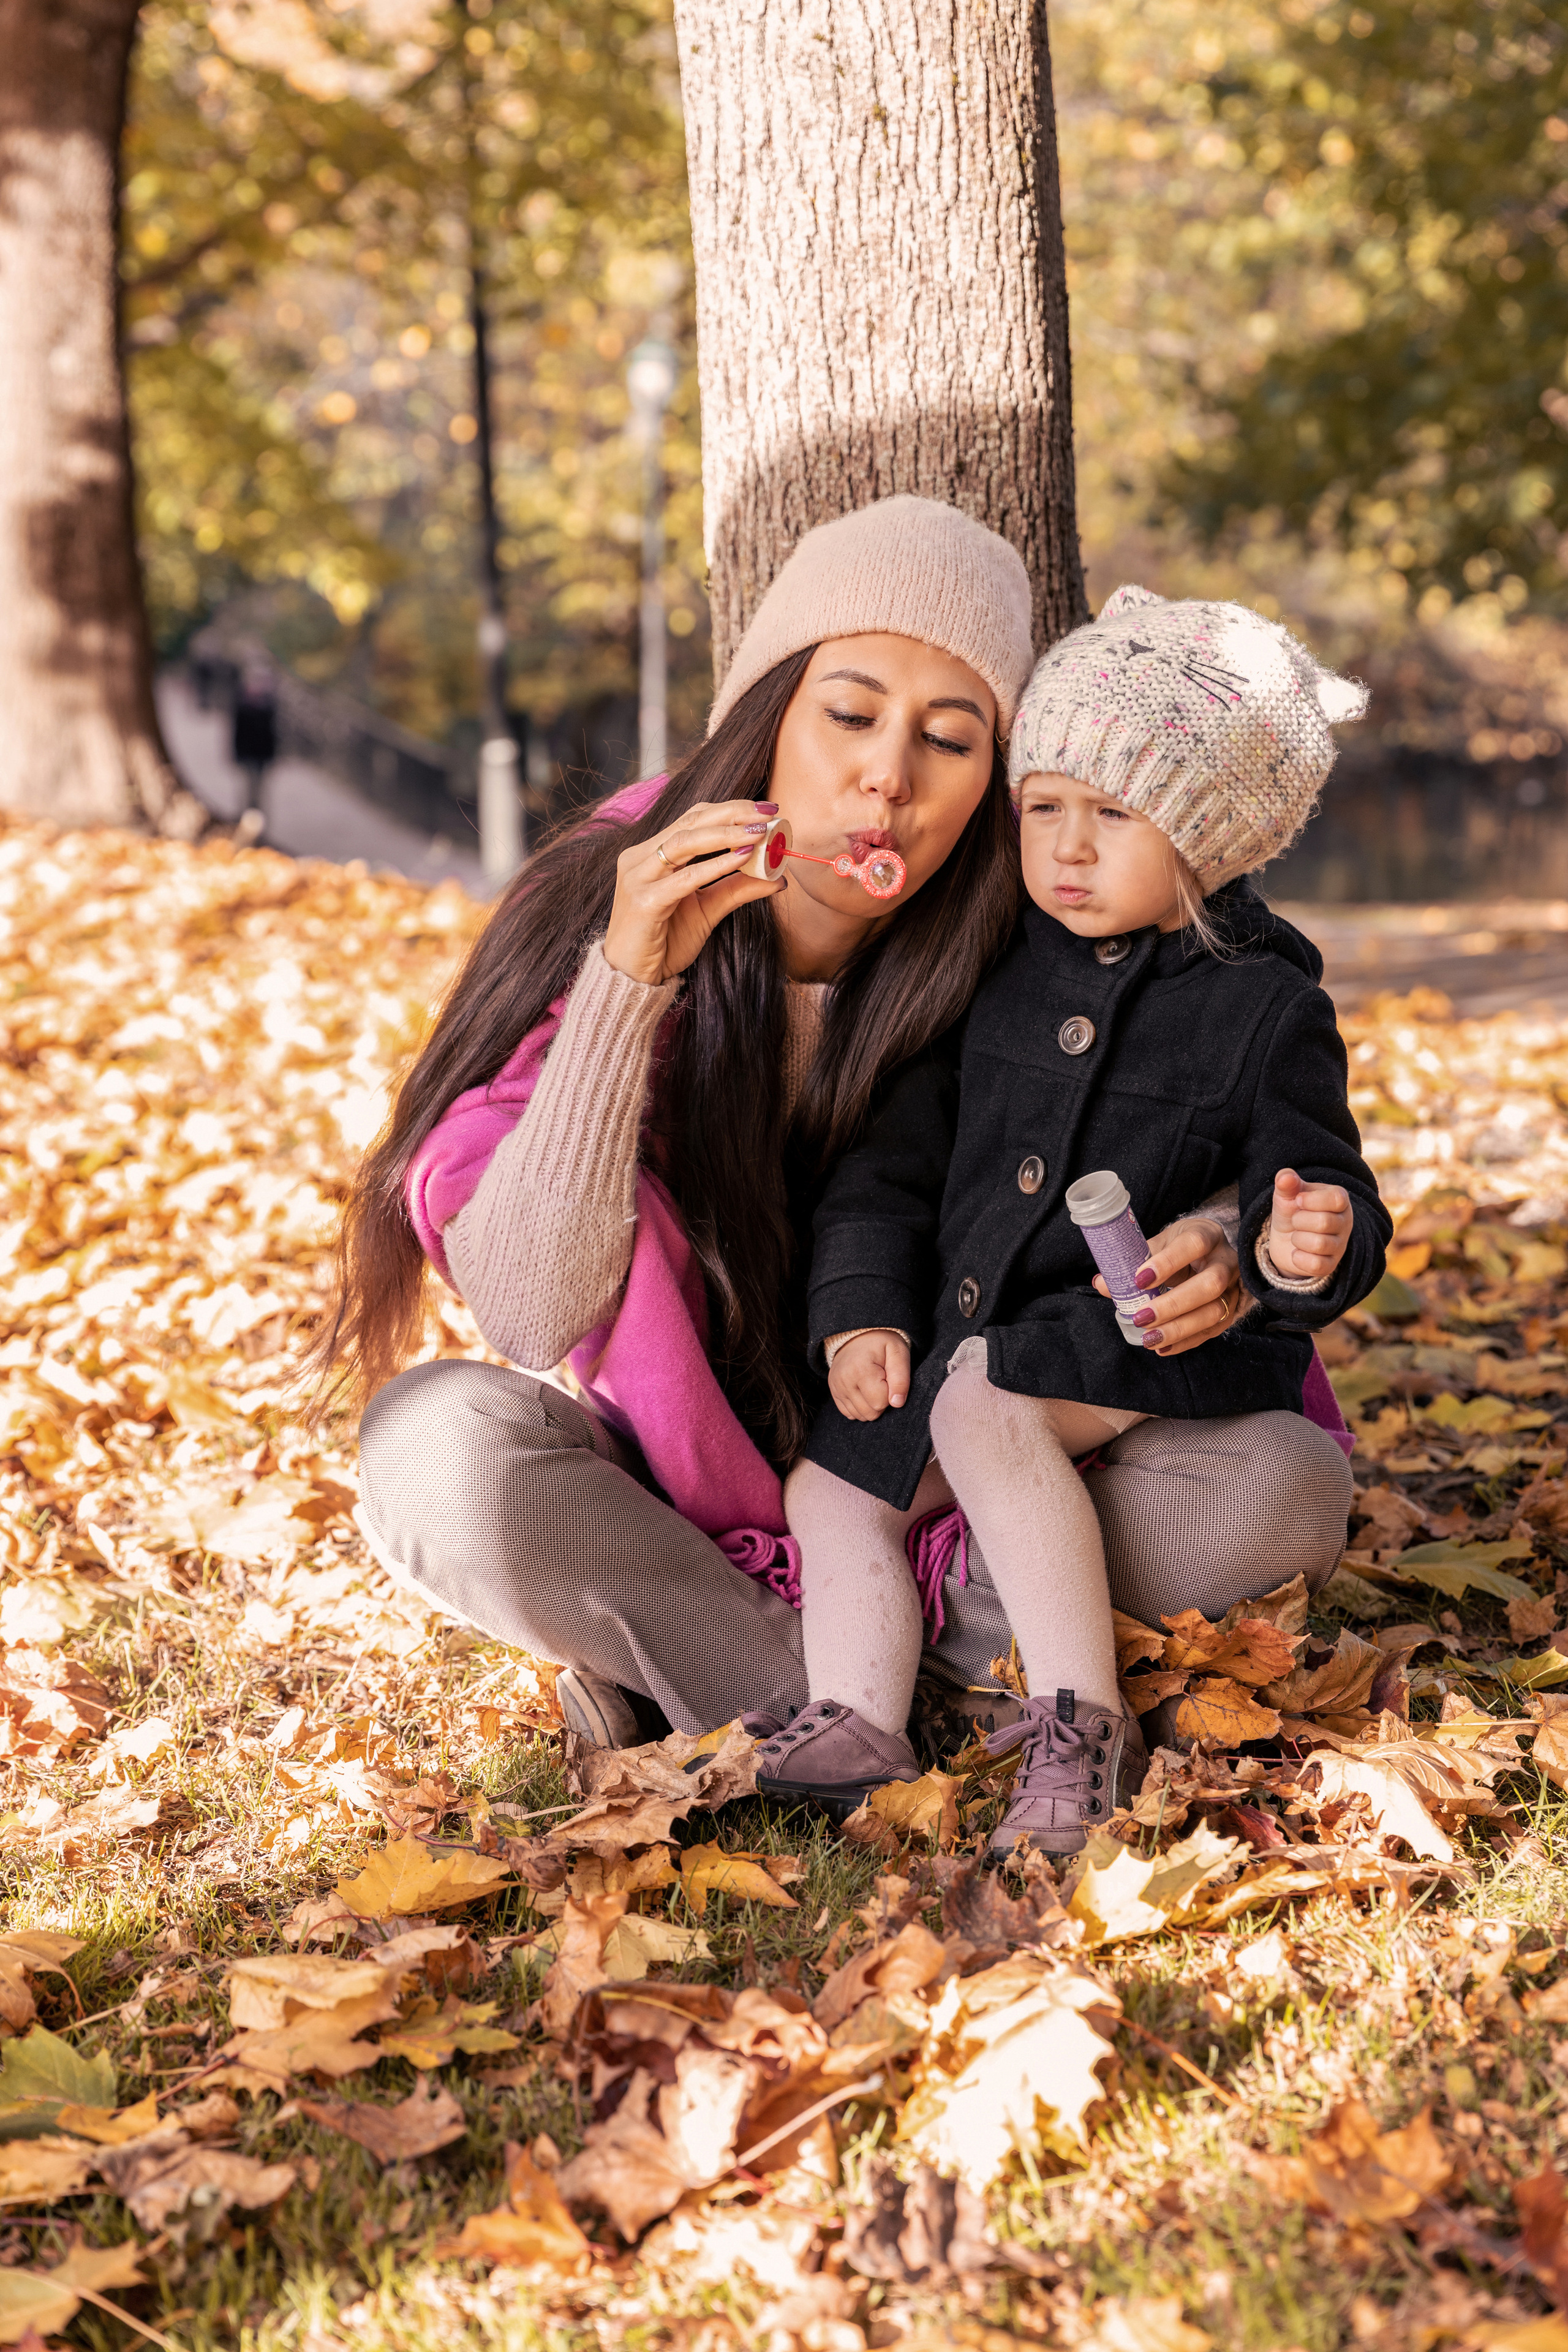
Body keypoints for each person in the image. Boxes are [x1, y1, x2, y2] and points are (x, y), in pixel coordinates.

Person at [329, 505, 1348, 1757]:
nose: (887, 778)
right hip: (670, 1491)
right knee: (432, 1451)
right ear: (768, 720)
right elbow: (532, 1309)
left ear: (995, 782)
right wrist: (626, 980)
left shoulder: (1031, 937)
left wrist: (1221, 1243)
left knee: (1278, 1488)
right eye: (849, 715)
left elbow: (1196, 1124)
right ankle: (886, 1674)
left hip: (953, 1491)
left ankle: (754, 1680)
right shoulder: (601, 902)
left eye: (950, 739)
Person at [760, 585, 1389, 1852]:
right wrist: (857, 1313)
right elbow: (888, 1168)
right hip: (967, 1332)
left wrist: (1298, 1247)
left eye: (1111, 816)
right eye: (1040, 808)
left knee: (990, 1408)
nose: (1064, 849)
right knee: (829, 1489)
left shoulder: (1261, 1007)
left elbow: (1319, 1187)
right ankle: (856, 1719)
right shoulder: (994, 965)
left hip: (1143, 1337)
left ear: (1206, 841)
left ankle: (1077, 1730)